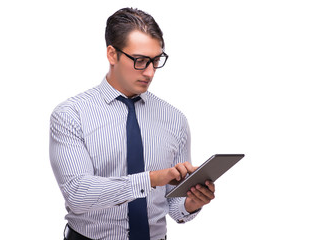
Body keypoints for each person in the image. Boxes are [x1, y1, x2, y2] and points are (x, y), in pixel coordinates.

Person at [50, 7, 215, 240]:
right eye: (140, 60)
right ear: (111, 54)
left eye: (156, 61)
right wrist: (151, 179)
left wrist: (191, 202)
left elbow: (174, 206)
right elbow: (78, 195)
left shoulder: (174, 119)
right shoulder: (71, 114)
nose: (149, 72)